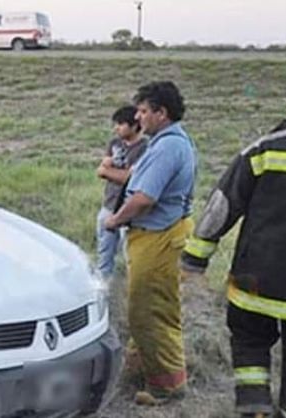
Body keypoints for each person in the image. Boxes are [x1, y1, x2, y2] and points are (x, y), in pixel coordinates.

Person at [181, 76, 286, 418]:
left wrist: (195, 257)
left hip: (255, 279)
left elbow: (222, 203)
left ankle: (255, 411)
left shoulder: (267, 147)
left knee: (249, 344)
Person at [104, 81, 197, 405]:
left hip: (158, 237)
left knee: (149, 312)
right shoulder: (166, 142)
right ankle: (138, 368)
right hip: (158, 235)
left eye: (144, 111)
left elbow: (144, 198)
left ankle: (166, 387)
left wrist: (115, 220)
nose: (138, 117)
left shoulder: (168, 147)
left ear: (162, 112)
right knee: (150, 307)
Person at [95, 105, 147, 277]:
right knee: (104, 254)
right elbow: (101, 168)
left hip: (130, 210)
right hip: (109, 205)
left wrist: (108, 172)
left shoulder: (144, 148)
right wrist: (113, 172)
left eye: (121, 124)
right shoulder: (114, 144)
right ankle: (103, 290)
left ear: (134, 125)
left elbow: (131, 179)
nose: (116, 128)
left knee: (130, 255)